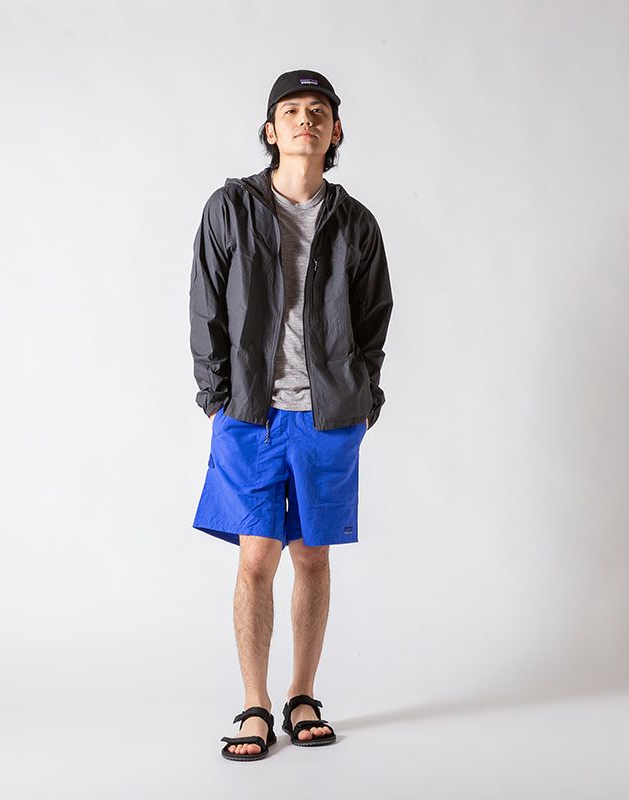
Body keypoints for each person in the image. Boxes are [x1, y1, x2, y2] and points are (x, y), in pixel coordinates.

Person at [188, 69, 393, 761]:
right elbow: (206, 306)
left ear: (335, 132)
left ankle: (302, 695)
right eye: (292, 110)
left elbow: (374, 320)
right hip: (250, 413)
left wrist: (364, 400)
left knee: (312, 556)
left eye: (319, 111)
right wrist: (216, 398)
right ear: (271, 131)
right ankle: (255, 703)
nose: (306, 119)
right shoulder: (230, 208)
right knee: (256, 557)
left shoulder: (356, 222)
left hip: (329, 417)